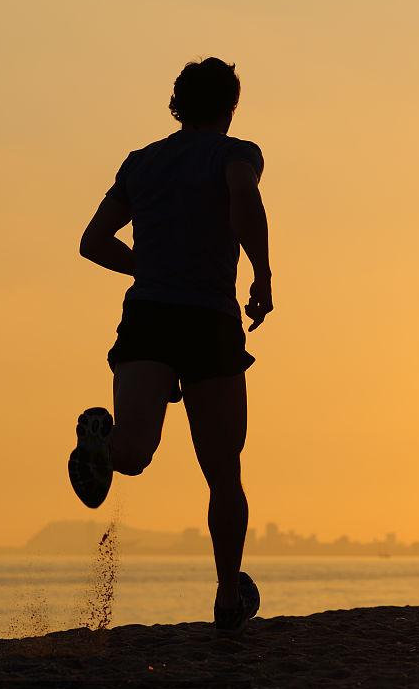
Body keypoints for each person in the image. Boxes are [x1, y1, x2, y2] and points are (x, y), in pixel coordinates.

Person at [68, 57, 273, 637]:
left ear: (178, 104)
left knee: (132, 454)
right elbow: (242, 199)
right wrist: (262, 274)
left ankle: (100, 443)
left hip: (150, 315)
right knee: (223, 472)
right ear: (230, 107)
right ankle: (228, 597)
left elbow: (93, 242)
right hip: (209, 319)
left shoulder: (142, 163)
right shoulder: (237, 154)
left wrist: (149, 268)